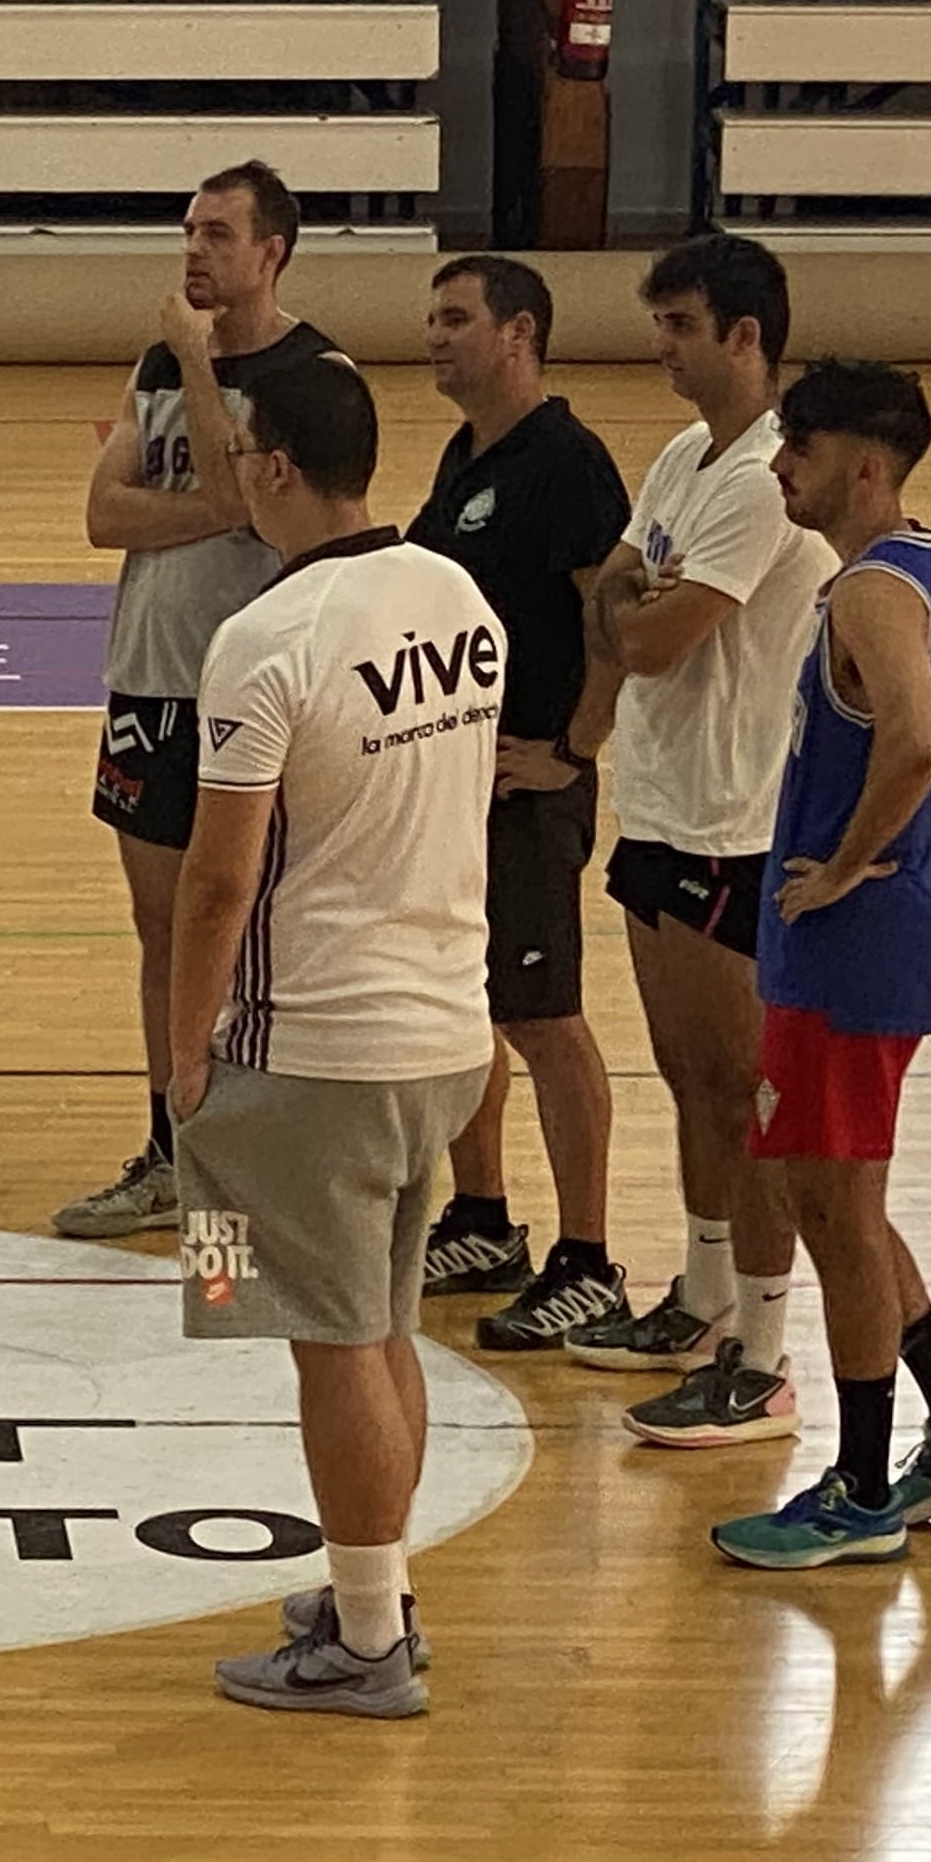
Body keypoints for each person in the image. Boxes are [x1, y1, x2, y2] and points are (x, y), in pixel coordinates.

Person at [166, 356, 501, 1718]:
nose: (233, 461)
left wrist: (179, 1053)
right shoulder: (456, 596)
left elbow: (215, 878)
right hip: (445, 1035)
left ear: (275, 466)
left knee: (323, 1339)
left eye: (241, 444)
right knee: (380, 1327)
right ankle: (378, 1588)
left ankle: (365, 1641)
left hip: (307, 1049)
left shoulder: (266, 637)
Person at [711, 361, 931, 1568]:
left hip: (853, 939)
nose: (779, 464)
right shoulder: (914, 569)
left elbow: (916, 735)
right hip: (868, 936)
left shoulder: (868, 594)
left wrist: (844, 865)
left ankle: (855, 1488)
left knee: (832, 1210)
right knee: (826, 1194)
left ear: (862, 465)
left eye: (797, 446)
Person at [565, 238, 832, 1427]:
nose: (659, 346)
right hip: (661, 802)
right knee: (684, 1075)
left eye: (678, 324)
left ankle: (764, 1355)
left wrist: (630, 606)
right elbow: (613, 596)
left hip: (736, 818)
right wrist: (631, 604)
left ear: (744, 335)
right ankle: (702, 1291)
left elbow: (650, 634)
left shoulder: (765, 474)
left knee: (742, 1088)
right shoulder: (681, 454)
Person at [61, 163, 347, 1239]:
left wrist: (191, 360)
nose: (192, 252)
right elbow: (101, 513)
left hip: (250, 688)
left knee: (241, 924)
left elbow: (249, 509)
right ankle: (170, 1147)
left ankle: (249, 1154)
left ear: (269, 250)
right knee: (158, 923)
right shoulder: (153, 360)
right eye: (185, 230)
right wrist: (197, 496)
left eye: (215, 234)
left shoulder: (312, 373)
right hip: (146, 672)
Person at [404, 256, 633, 1352]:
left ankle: (586, 1259)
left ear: (518, 332)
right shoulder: (467, 455)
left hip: (529, 793)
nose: (434, 336)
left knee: (542, 1017)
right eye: (431, 318)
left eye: (456, 319)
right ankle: (483, 1218)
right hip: (459, 785)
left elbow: (614, 623)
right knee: (469, 1001)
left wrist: (573, 750)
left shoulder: (566, 464)